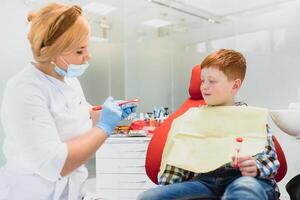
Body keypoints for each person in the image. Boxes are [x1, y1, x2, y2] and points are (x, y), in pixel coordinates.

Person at [0, 3, 136, 200]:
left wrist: (108, 112)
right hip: (33, 194)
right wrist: (105, 126)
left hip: (72, 191)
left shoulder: (69, 80)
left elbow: (80, 116)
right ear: (53, 53)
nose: (88, 57)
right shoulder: (24, 90)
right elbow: (54, 164)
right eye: (80, 51)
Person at [137, 49, 280, 200]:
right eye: (202, 81)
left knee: (245, 190)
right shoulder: (190, 119)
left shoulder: (250, 117)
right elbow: (177, 164)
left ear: (235, 86)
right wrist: (170, 187)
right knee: (150, 197)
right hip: (203, 182)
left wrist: (256, 166)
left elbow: (271, 160)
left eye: (211, 81)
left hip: (245, 180)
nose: (204, 87)